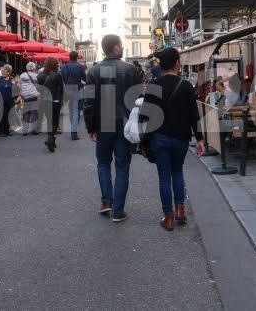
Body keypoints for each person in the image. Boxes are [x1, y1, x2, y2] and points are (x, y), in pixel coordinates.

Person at [143, 48, 205, 231]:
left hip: (160, 137)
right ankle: (180, 209)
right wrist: (199, 139)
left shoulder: (153, 86)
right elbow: (194, 115)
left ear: (161, 65)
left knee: (164, 177)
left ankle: (168, 217)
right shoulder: (186, 86)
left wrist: (145, 140)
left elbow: (145, 116)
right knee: (177, 171)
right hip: (181, 138)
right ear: (177, 63)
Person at [84, 34, 140, 222]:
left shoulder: (93, 71)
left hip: (103, 124)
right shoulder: (131, 70)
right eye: (121, 45)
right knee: (122, 167)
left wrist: (90, 126)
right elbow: (138, 100)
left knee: (103, 163)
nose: (122, 48)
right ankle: (118, 210)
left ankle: (106, 201)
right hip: (125, 124)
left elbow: (89, 102)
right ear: (116, 48)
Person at [37, 57, 64, 153]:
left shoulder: (40, 76)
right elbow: (61, 88)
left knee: (49, 120)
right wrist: (61, 98)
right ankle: (50, 138)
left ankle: (51, 140)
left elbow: (38, 88)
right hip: (55, 100)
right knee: (55, 121)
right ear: (55, 65)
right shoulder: (58, 75)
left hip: (45, 101)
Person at [60, 51, 86, 140]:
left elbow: (61, 79)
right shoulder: (79, 66)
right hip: (76, 90)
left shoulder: (64, 67)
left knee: (72, 110)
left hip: (67, 90)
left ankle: (73, 127)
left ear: (69, 57)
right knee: (75, 110)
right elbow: (84, 78)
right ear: (77, 57)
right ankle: (74, 131)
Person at [18, 62, 40, 135]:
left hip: (26, 96)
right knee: (34, 112)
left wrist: (22, 93)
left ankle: (25, 130)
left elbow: (19, 85)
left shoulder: (22, 75)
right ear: (33, 68)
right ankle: (33, 129)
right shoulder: (36, 76)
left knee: (26, 113)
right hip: (34, 95)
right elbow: (38, 86)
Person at [0, 64, 15, 137]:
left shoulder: (11, 80)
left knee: (8, 116)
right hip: (0, 101)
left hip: (9, 101)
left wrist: (15, 84)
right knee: (1, 116)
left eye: (4, 71)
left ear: (8, 72)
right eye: (2, 71)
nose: (2, 72)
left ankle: (7, 130)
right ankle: (1, 131)